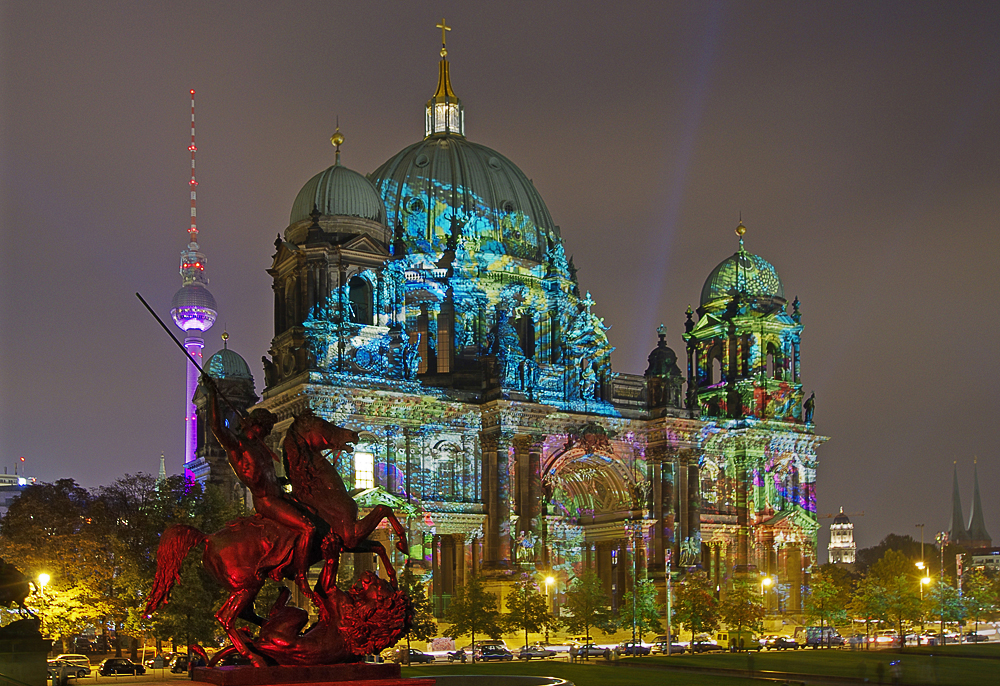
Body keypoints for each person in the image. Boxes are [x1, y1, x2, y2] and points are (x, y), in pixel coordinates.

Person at [204, 380, 317, 591]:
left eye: (268, 430)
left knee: (316, 515)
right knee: (307, 527)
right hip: (267, 502)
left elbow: (272, 478)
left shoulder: (262, 448)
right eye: (265, 429)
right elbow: (217, 426)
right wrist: (212, 395)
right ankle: (301, 576)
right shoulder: (238, 446)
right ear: (254, 424)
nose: (266, 433)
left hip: (279, 496)